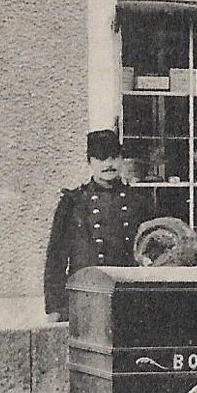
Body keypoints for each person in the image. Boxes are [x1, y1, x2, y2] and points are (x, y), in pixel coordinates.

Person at [44, 129, 150, 321]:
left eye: (113, 157)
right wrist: (55, 308)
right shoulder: (73, 203)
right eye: (101, 158)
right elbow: (55, 259)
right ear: (90, 162)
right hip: (86, 298)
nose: (108, 164)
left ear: (121, 160)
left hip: (128, 298)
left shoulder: (138, 201)